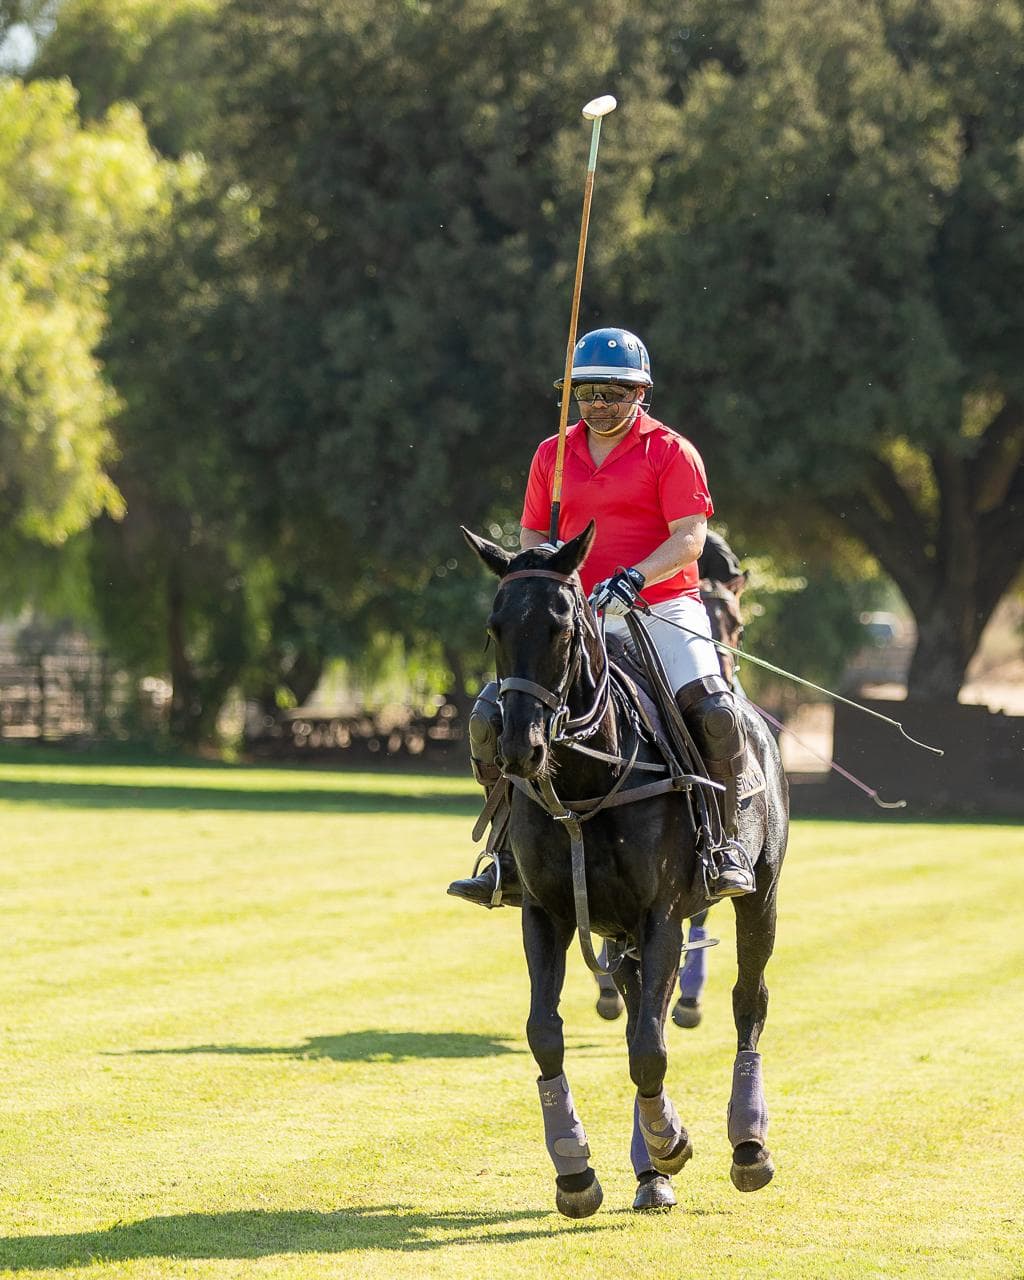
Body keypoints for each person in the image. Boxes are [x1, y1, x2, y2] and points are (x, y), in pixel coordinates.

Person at [448, 327, 755, 908]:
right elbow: (535, 534)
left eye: (614, 393)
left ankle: (723, 844)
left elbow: (691, 538)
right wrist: (550, 578)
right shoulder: (552, 454)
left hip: (662, 606)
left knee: (714, 712)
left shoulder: (670, 450)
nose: (599, 405)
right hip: (576, 613)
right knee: (494, 713)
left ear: (640, 392)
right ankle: (506, 854)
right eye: (588, 394)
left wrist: (637, 576)